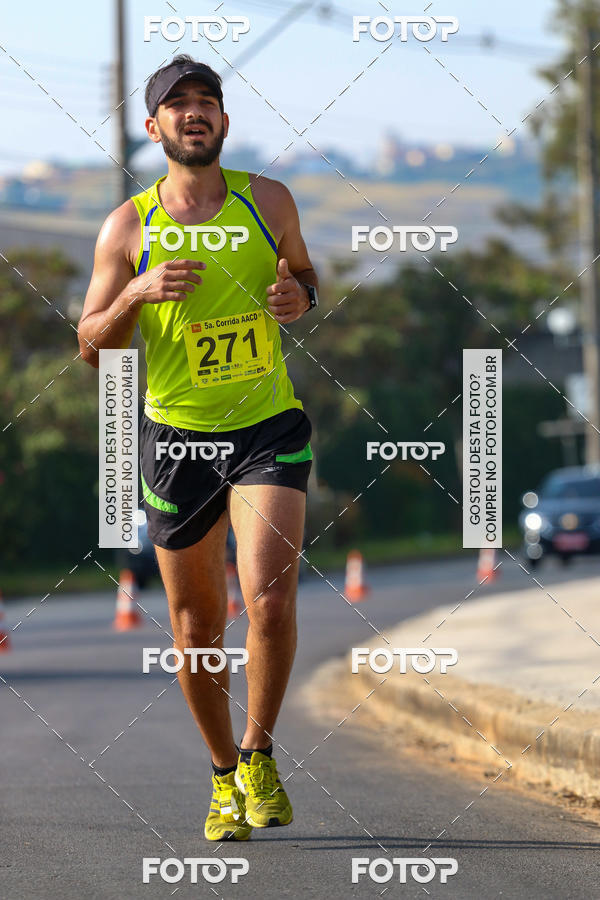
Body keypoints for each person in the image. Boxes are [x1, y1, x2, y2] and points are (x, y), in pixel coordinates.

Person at [78, 55, 318, 841]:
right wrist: (137, 292)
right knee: (195, 628)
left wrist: (297, 296)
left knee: (271, 597)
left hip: (266, 428)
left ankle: (258, 753)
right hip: (178, 437)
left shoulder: (268, 199)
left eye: (205, 101)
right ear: (154, 128)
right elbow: (90, 346)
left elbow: (306, 280)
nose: (193, 112)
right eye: (175, 104)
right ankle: (223, 777)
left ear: (223, 121)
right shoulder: (128, 226)